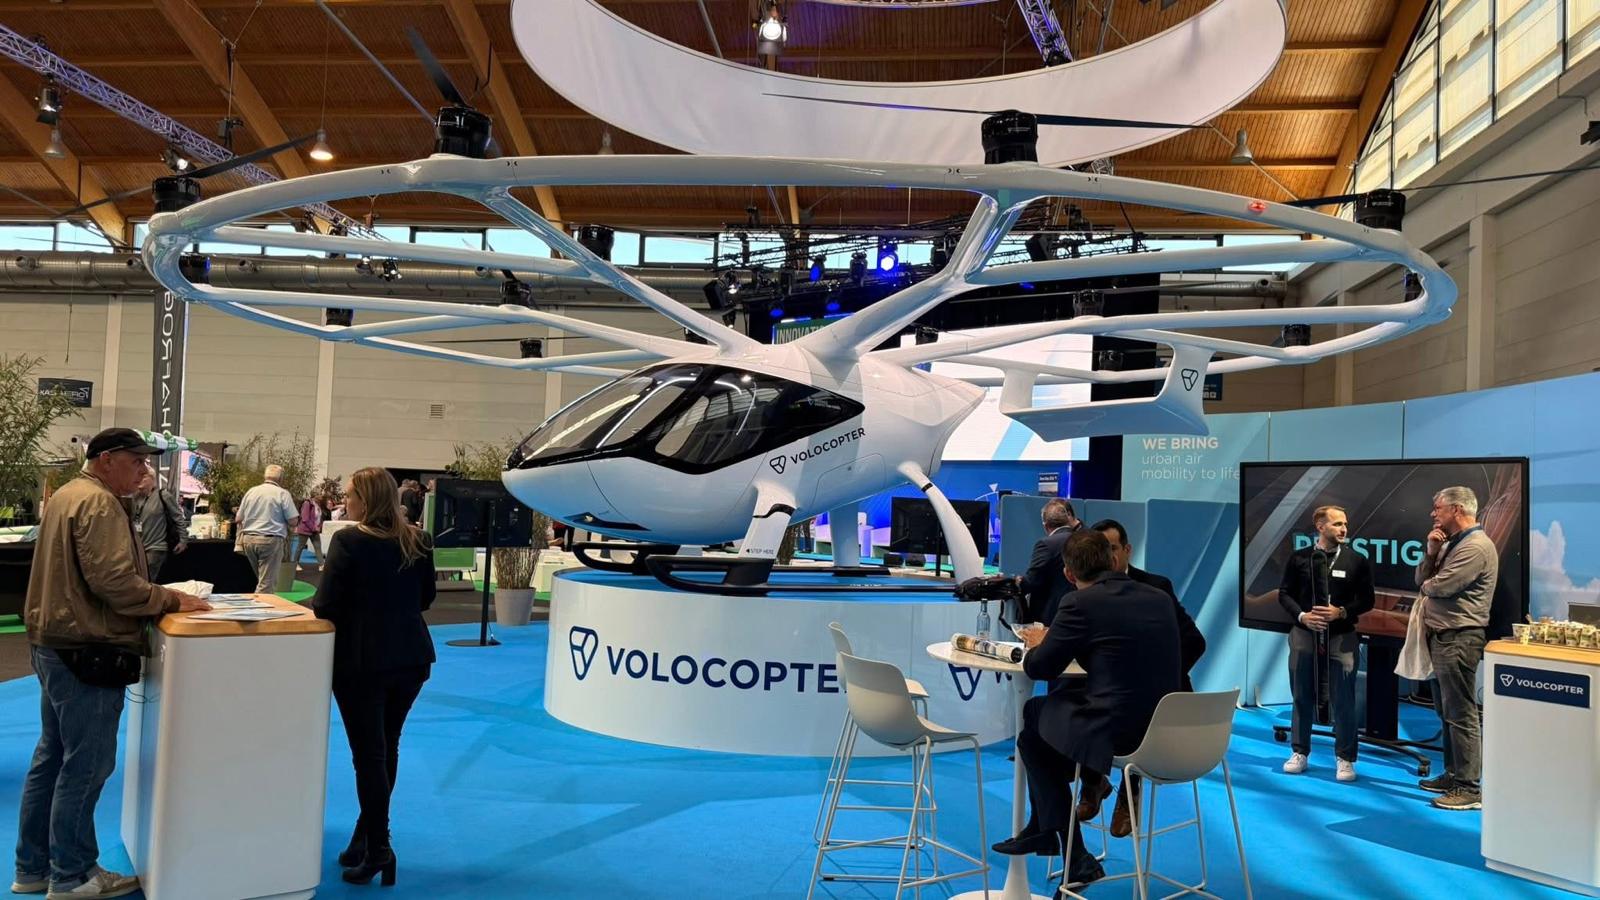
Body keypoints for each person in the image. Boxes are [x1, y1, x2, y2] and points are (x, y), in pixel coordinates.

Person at [15, 428, 208, 899]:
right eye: (136, 461)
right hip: (88, 647)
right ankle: (73, 875)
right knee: (86, 764)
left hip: (55, 641)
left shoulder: (68, 494)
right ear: (106, 460)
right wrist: (170, 599)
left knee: (52, 756)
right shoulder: (99, 504)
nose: (143, 470)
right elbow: (115, 584)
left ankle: (33, 867)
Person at [994, 530, 1181, 892]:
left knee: (1033, 721)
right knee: (1037, 738)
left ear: (1068, 573)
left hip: (1117, 732)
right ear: (1113, 560)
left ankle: (1064, 841)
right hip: (1168, 728)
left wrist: (1043, 641)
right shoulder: (1159, 598)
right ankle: (1058, 841)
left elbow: (1041, 668)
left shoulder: (1079, 603)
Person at [312, 467, 436, 887]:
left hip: (362, 663)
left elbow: (325, 604)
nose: (345, 501)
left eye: (350, 495)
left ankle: (379, 848)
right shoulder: (419, 540)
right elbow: (426, 598)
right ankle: (365, 838)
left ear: (365, 500)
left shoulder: (349, 541)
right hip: (411, 658)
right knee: (385, 748)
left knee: (370, 756)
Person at [1088, 518, 1207, 835]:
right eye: (1099, 550)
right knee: (1074, 703)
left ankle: (1128, 790)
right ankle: (1093, 781)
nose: (1107, 557)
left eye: (1112, 548)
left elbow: (1195, 642)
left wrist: (1160, 675)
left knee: (1128, 707)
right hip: (1107, 693)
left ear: (1127, 549)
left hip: (1156, 702)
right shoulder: (1087, 590)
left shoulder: (1156, 587)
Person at [1275, 505, 1375, 783]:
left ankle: (1345, 758)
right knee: (1301, 694)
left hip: (1342, 638)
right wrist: (1303, 616)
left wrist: (1340, 612)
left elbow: (1367, 600)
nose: (1344, 529)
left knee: (1344, 699)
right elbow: (1284, 594)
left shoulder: (1357, 560)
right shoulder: (1299, 558)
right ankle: (1299, 752)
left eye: (1345, 524)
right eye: (1337, 524)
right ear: (1320, 527)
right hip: (1304, 635)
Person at [1415, 486, 1498, 811]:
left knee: (1461, 714)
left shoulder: (1476, 546)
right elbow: (1421, 578)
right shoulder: (1450, 544)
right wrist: (1431, 552)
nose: (1433, 514)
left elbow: (1440, 586)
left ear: (1457, 509)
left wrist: (1428, 584)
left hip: (1460, 638)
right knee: (1446, 712)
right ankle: (1453, 774)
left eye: (1438, 508)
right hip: (1442, 636)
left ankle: (1469, 787)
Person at [233, 465, 299, 594]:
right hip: (270, 540)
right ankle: (260, 606)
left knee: (262, 579)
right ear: (281, 478)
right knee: (266, 585)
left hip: (249, 540)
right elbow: (293, 521)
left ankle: (259, 603)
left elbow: (238, 518)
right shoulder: (282, 493)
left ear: (265, 476)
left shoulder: (251, 491)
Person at [1017, 499, 1082, 624]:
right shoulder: (1084, 540)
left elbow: (1032, 581)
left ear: (1045, 525)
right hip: (1079, 610)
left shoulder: (1046, 544)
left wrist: (1018, 582)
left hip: (1050, 615)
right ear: (1067, 520)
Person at [129, 468, 189, 582]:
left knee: (145, 581)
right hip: (138, 548)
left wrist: (183, 540)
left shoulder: (163, 495)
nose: (139, 478)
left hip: (156, 547)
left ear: (152, 479)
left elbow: (178, 518)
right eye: (137, 475)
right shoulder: (135, 497)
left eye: (143, 476)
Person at [293, 490, 327, 572]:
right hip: (305, 529)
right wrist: (313, 528)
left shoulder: (317, 505)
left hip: (314, 530)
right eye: (320, 494)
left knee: (318, 547)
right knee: (300, 547)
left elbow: (318, 518)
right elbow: (305, 518)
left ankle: (321, 565)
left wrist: (318, 526)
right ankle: (294, 564)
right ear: (315, 495)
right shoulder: (307, 503)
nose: (321, 496)